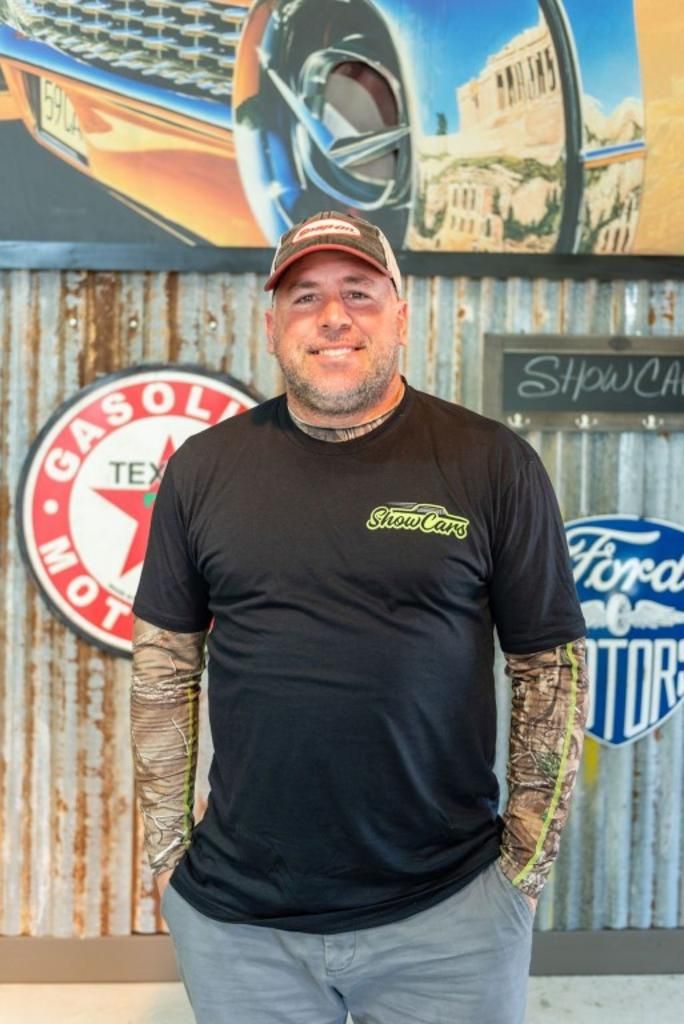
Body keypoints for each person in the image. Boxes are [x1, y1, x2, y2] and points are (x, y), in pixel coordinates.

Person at [131, 210, 588, 1024]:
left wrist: (525, 865)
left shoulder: (491, 462)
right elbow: (165, 667)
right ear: (272, 325)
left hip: (449, 914)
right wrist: (169, 856)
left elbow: (550, 667)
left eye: (360, 293)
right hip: (241, 924)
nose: (333, 316)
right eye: (305, 297)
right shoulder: (204, 470)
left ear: (402, 317)